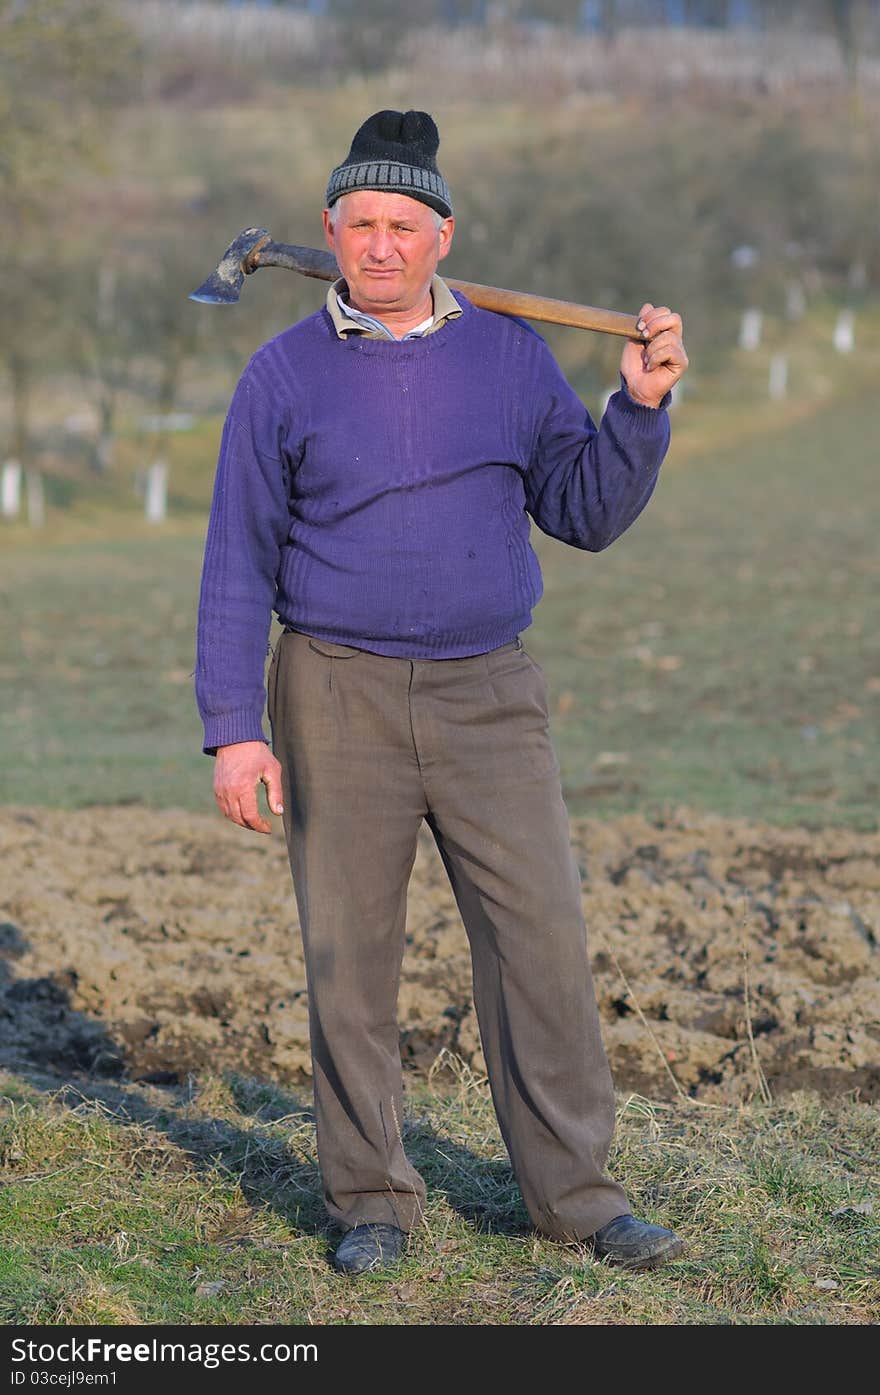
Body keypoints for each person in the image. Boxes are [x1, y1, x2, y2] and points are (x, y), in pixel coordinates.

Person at [195, 109, 689, 1277]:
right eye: (359, 223)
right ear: (330, 230)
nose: (378, 245)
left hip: (489, 698)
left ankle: (577, 1198)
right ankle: (372, 1199)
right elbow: (235, 561)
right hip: (334, 692)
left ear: (440, 234)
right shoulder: (281, 377)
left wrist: (639, 408)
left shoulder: (510, 357)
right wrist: (233, 730)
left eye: (401, 224)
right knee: (348, 962)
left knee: (541, 947)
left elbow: (585, 513)